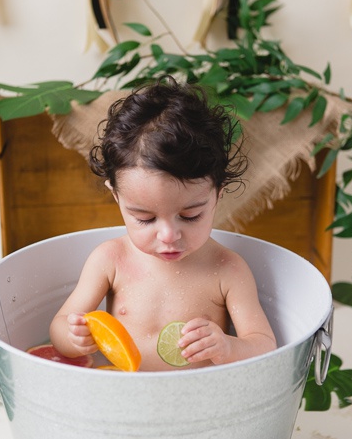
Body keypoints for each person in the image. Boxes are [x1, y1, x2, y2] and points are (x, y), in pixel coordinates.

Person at [49, 76, 277, 371]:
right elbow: (59, 326)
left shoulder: (228, 269)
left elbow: (264, 345)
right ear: (117, 197)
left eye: (190, 216)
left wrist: (229, 346)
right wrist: (72, 337)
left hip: (198, 398)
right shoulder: (109, 260)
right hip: (121, 392)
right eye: (144, 218)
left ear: (217, 195)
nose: (169, 235)